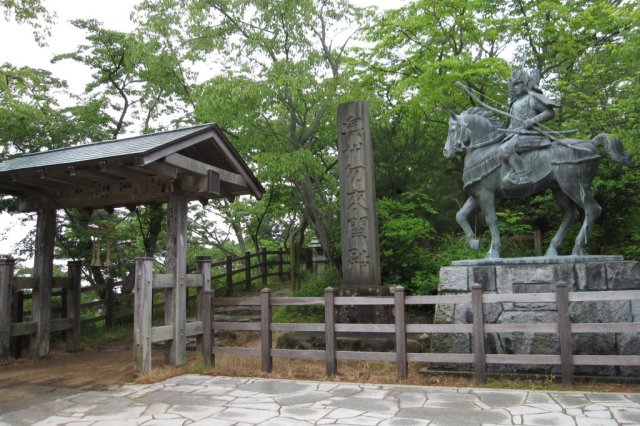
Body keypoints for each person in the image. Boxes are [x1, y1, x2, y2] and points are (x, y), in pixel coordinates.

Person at [499, 69, 560, 186]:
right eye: (514, 85)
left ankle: (522, 176)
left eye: (518, 84)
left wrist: (533, 120)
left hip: (531, 134)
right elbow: (512, 124)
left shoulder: (532, 98)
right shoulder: (513, 104)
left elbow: (550, 113)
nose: (515, 87)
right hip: (515, 135)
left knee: (506, 149)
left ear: (525, 84)